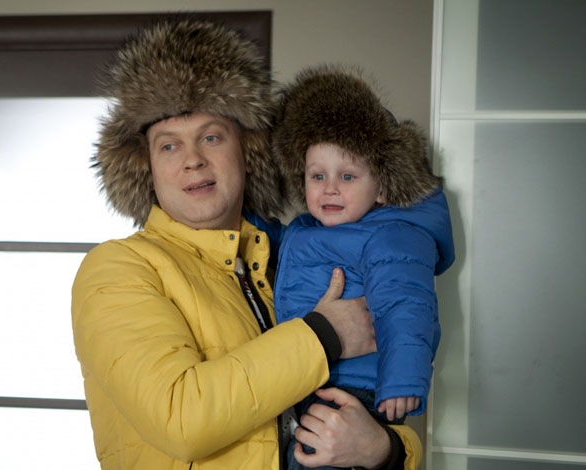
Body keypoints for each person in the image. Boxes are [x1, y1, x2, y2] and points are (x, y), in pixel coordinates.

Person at [71, 20, 422, 469]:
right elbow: (181, 419)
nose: (193, 159)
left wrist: (384, 450)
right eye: (169, 146)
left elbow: (378, 395)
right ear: (148, 170)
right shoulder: (118, 269)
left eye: (211, 137)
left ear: (247, 152)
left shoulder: (289, 260)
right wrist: (324, 334)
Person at [252, 65, 455, 469]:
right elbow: (283, 247)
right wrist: (246, 222)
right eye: (317, 175)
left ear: (381, 187)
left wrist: (403, 380)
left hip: (355, 388)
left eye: (347, 176)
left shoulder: (391, 236)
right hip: (311, 376)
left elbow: (406, 306)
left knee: (320, 459)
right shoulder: (309, 229)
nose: (330, 187)